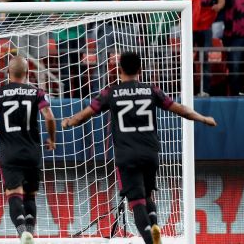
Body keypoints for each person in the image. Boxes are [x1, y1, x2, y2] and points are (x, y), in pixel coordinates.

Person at [61, 52, 217, 244]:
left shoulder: (110, 92)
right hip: (150, 153)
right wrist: (203, 118)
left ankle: (150, 238)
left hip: (126, 155)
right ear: (140, 70)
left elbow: (84, 115)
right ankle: (154, 226)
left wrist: (68, 122)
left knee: (136, 202)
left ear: (119, 70)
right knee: (147, 195)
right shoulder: (151, 90)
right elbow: (179, 108)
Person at [0, 56, 56, 244]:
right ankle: (30, 233)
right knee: (30, 196)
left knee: (14, 195)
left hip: (9, 153)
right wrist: (51, 139)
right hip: (32, 152)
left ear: (8, 73)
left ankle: (22, 233)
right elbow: (50, 117)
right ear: (28, 73)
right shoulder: (37, 92)